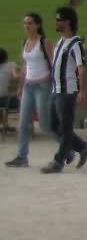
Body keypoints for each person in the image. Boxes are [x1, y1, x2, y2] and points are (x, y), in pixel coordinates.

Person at [41, 6, 87, 174]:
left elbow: (81, 68)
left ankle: (59, 160)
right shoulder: (61, 41)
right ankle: (82, 147)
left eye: (58, 19)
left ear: (67, 21)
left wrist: (82, 91)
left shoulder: (76, 44)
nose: (56, 22)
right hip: (56, 89)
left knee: (66, 127)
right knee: (52, 125)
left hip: (67, 91)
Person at [7, 12, 55, 168]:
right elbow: (25, 66)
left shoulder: (44, 42)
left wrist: (53, 83)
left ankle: (68, 147)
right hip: (28, 86)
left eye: (29, 23)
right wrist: (21, 86)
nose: (26, 26)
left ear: (37, 25)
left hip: (43, 85)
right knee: (23, 124)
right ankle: (22, 156)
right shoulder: (24, 43)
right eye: (25, 23)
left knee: (45, 124)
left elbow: (53, 64)